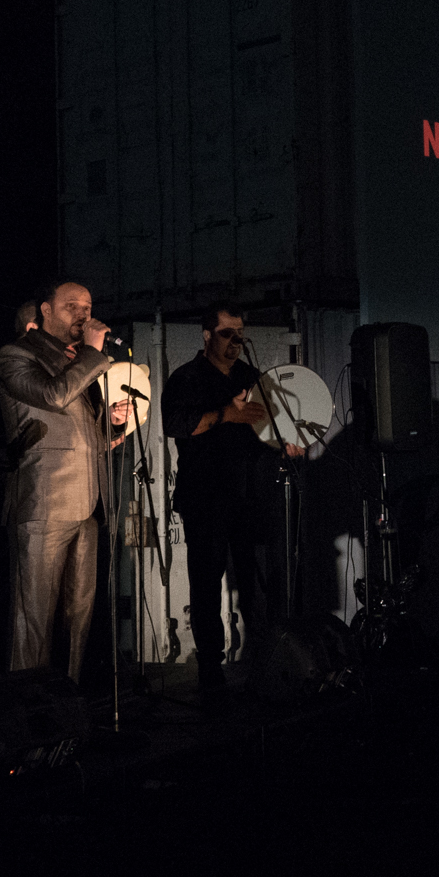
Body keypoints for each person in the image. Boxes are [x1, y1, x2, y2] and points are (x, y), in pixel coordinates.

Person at [161, 300, 302, 702]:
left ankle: (262, 660)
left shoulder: (251, 376)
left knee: (255, 584)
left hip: (248, 495)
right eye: (227, 334)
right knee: (205, 583)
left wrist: (286, 445)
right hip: (205, 496)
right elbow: (175, 424)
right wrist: (225, 414)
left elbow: (271, 428)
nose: (236, 341)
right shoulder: (187, 377)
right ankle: (210, 668)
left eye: (241, 335)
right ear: (207, 335)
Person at [0, 280, 131, 682]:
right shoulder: (16, 355)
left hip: (88, 503)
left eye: (88, 306)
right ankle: (28, 717)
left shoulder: (78, 362)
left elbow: (81, 434)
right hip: (44, 503)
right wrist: (91, 354)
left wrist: (110, 423)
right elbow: (53, 397)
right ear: (46, 312)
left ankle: (68, 709)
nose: (84, 314)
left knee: (79, 617)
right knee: (33, 618)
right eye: (72, 306)